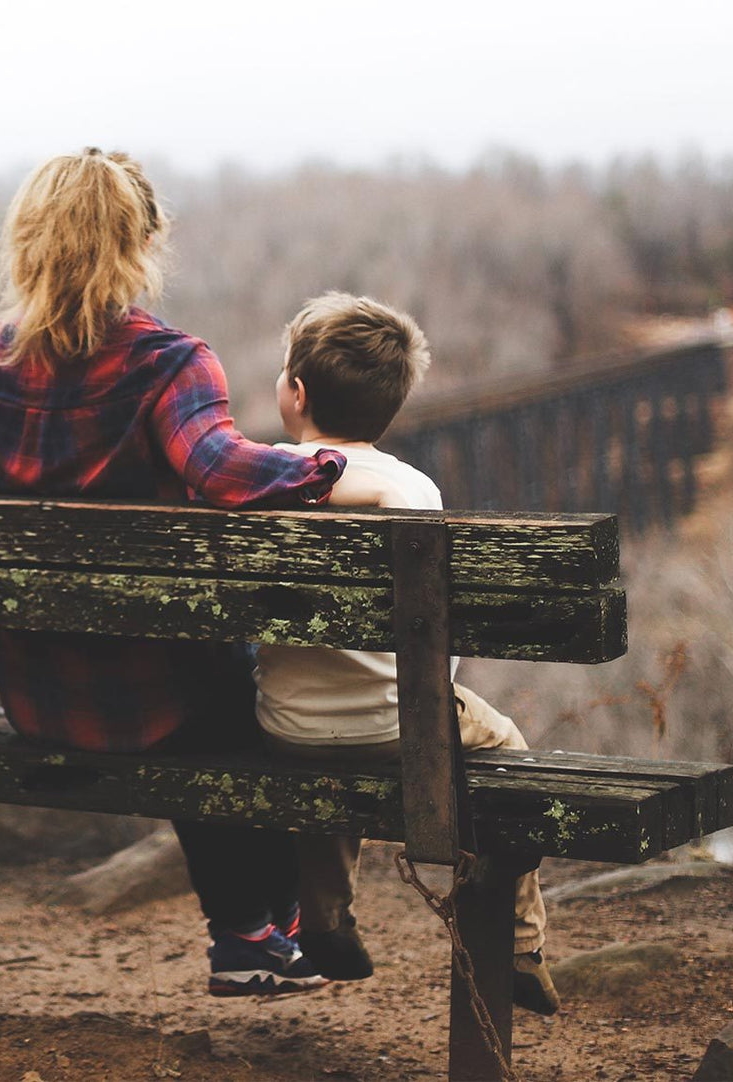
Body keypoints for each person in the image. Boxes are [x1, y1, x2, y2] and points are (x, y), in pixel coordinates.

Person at [0, 148, 351, 996]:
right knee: (240, 692)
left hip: (37, 696)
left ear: (24, 242)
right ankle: (259, 929)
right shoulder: (169, 363)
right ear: (143, 244)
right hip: (164, 701)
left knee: (213, 688)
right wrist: (328, 466)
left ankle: (260, 934)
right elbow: (222, 472)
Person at [255, 291, 561, 1015]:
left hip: (286, 726)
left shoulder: (260, 478)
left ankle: (325, 919)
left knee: (328, 743)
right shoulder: (413, 490)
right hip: (403, 725)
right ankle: (519, 942)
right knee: (506, 747)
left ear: (295, 393)